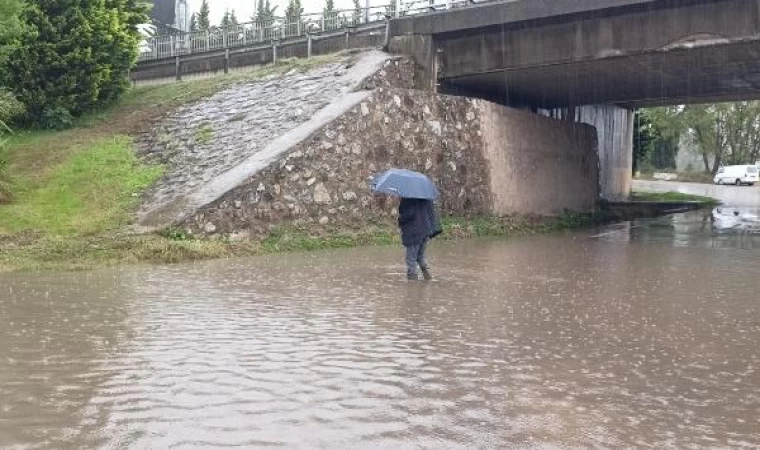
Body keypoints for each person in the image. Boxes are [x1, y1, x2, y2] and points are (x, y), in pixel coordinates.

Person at [398, 198, 441, 280]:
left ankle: (412, 285)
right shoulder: (426, 197)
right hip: (426, 230)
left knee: (411, 260)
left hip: (414, 232)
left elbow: (408, 214)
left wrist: (400, 219)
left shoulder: (408, 198)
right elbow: (430, 212)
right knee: (420, 256)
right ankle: (428, 277)